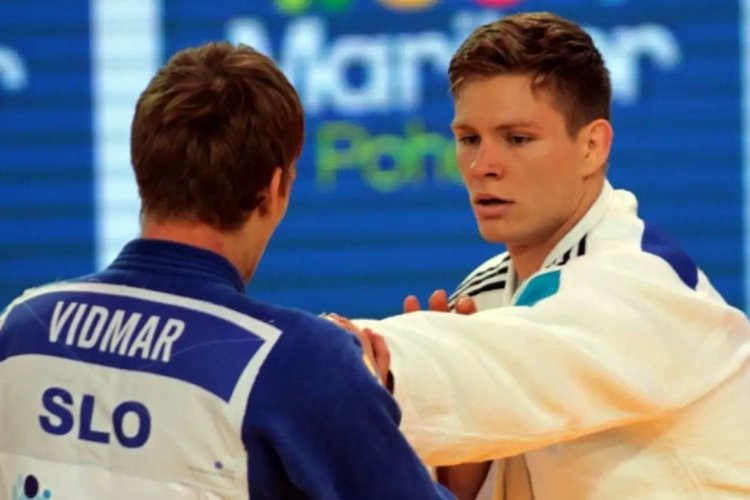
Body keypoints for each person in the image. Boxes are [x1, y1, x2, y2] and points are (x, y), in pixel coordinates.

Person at [0, 42, 455, 500]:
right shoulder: (304, 362)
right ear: (274, 189)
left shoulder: (20, 327)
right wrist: (378, 408)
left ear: (141, 166)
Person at [328, 12, 750, 499]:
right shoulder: (484, 293)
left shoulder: (643, 285)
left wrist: (320, 352)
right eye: (469, 139)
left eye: (518, 139)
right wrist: (468, 471)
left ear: (592, 146)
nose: (483, 166)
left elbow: (508, 364)